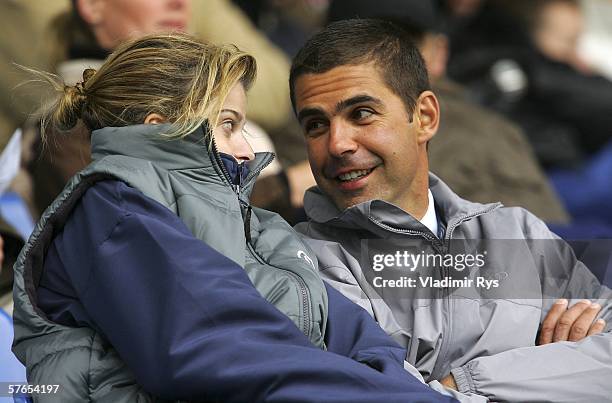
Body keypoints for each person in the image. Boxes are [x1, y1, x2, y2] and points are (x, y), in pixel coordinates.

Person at [11, 33, 454, 402]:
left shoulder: (260, 228)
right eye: (228, 125)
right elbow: (220, 350)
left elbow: (361, 338)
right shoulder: (111, 210)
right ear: (159, 127)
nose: (248, 149)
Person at [291, 19, 612, 402]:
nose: (337, 143)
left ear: (424, 117)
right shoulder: (305, 263)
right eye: (315, 125)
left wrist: (463, 384)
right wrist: (556, 368)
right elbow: (396, 397)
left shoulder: (515, 231)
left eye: (361, 114)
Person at [326, 0, 568, 224]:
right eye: (364, 46)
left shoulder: (496, 126)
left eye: (408, 44)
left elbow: (555, 234)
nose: (387, 60)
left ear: (439, 52)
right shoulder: (318, 133)